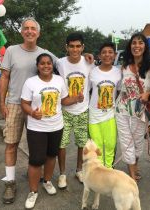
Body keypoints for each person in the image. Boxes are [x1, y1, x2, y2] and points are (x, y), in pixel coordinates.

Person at [0, 17, 58, 204]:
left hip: (37, 107)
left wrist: (87, 58)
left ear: (38, 33)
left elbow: (65, 63)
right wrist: (2, 103)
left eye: (34, 28)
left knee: (36, 145)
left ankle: (34, 173)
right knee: (11, 144)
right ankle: (10, 182)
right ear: (22, 31)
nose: (30, 31)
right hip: (15, 104)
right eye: (27, 28)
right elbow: (4, 77)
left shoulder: (45, 54)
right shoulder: (11, 51)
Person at [21, 53, 83, 209]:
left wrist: (76, 98)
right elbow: (24, 103)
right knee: (36, 160)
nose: (46, 66)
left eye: (49, 63)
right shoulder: (31, 82)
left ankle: (47, 181)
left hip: (56, 126)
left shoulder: (59, 80)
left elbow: (64, 100)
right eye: (42, 63)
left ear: (52, 65)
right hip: (37, 128)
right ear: (38, 66)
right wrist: (32, 112)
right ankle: (33, 191)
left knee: (51, 155)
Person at [56, 33, 94, 189]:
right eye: (71, 46)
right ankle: (62, 174)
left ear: (83, 47)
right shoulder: (59, 63)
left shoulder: (89, 63)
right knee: (62, 144)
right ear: (66, 47)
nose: (75, 49)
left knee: (81, 144)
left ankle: (79, 170)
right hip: (64, 110)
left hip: (83, 110)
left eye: (78, 46)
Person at [115, 33, 150, 181]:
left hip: (140, 112)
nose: (137, 46)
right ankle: (131, 175)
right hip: (122, 110)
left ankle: (134, 166)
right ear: (130, 46)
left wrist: (148, 93)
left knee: (137, 143)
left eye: (140, 43)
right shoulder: (123, 67)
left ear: (145, 46)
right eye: (134, 43)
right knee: (126, 142)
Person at [88, 42, 121, 168]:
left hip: (110, 115)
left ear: (114, 55)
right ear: (99, 56)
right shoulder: (92, 72)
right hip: (94, 115)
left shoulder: (118, 72)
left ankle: (108, 169)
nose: (107, 55)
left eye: (110, 52)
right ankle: (99, 170)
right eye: (104, 52)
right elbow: (88, 91)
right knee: (96, 146)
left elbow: (118, 92)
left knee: (110, 144)